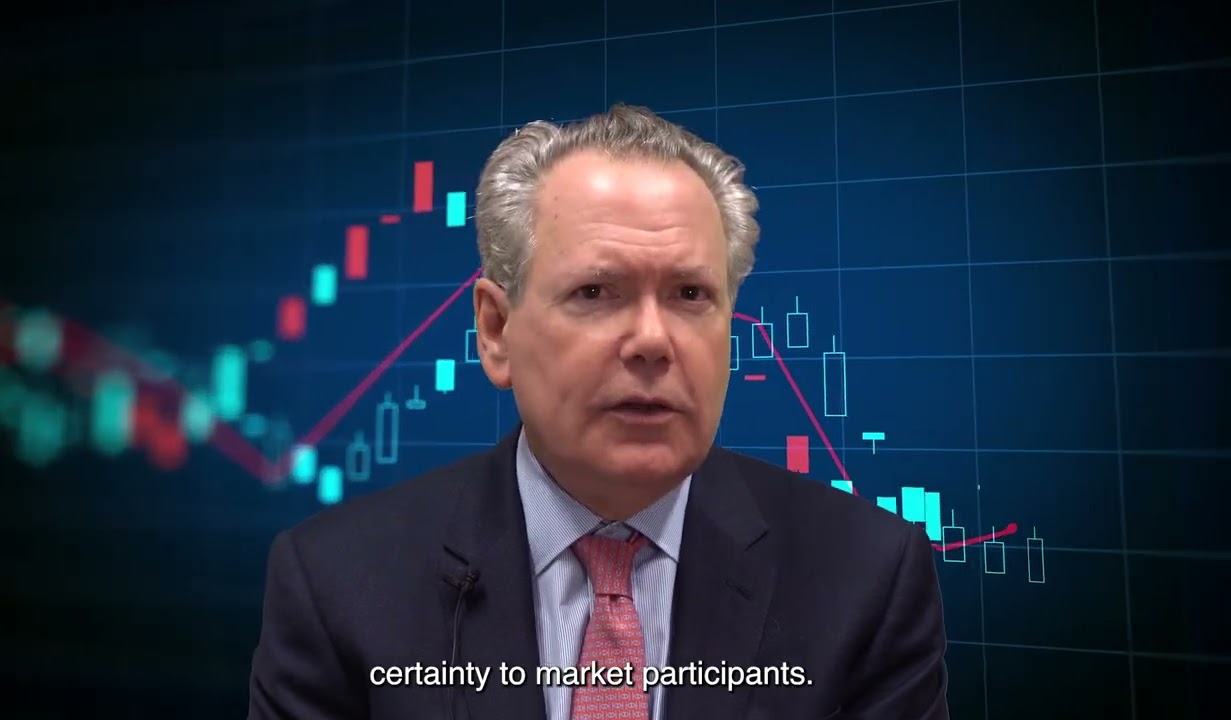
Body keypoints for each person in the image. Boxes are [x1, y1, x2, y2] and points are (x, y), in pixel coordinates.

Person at [247, 103, 950, 720]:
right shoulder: (337, 582)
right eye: (595, 292)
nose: (652, 340)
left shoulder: (866, 577)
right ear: (496, 331)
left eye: (690, 295)